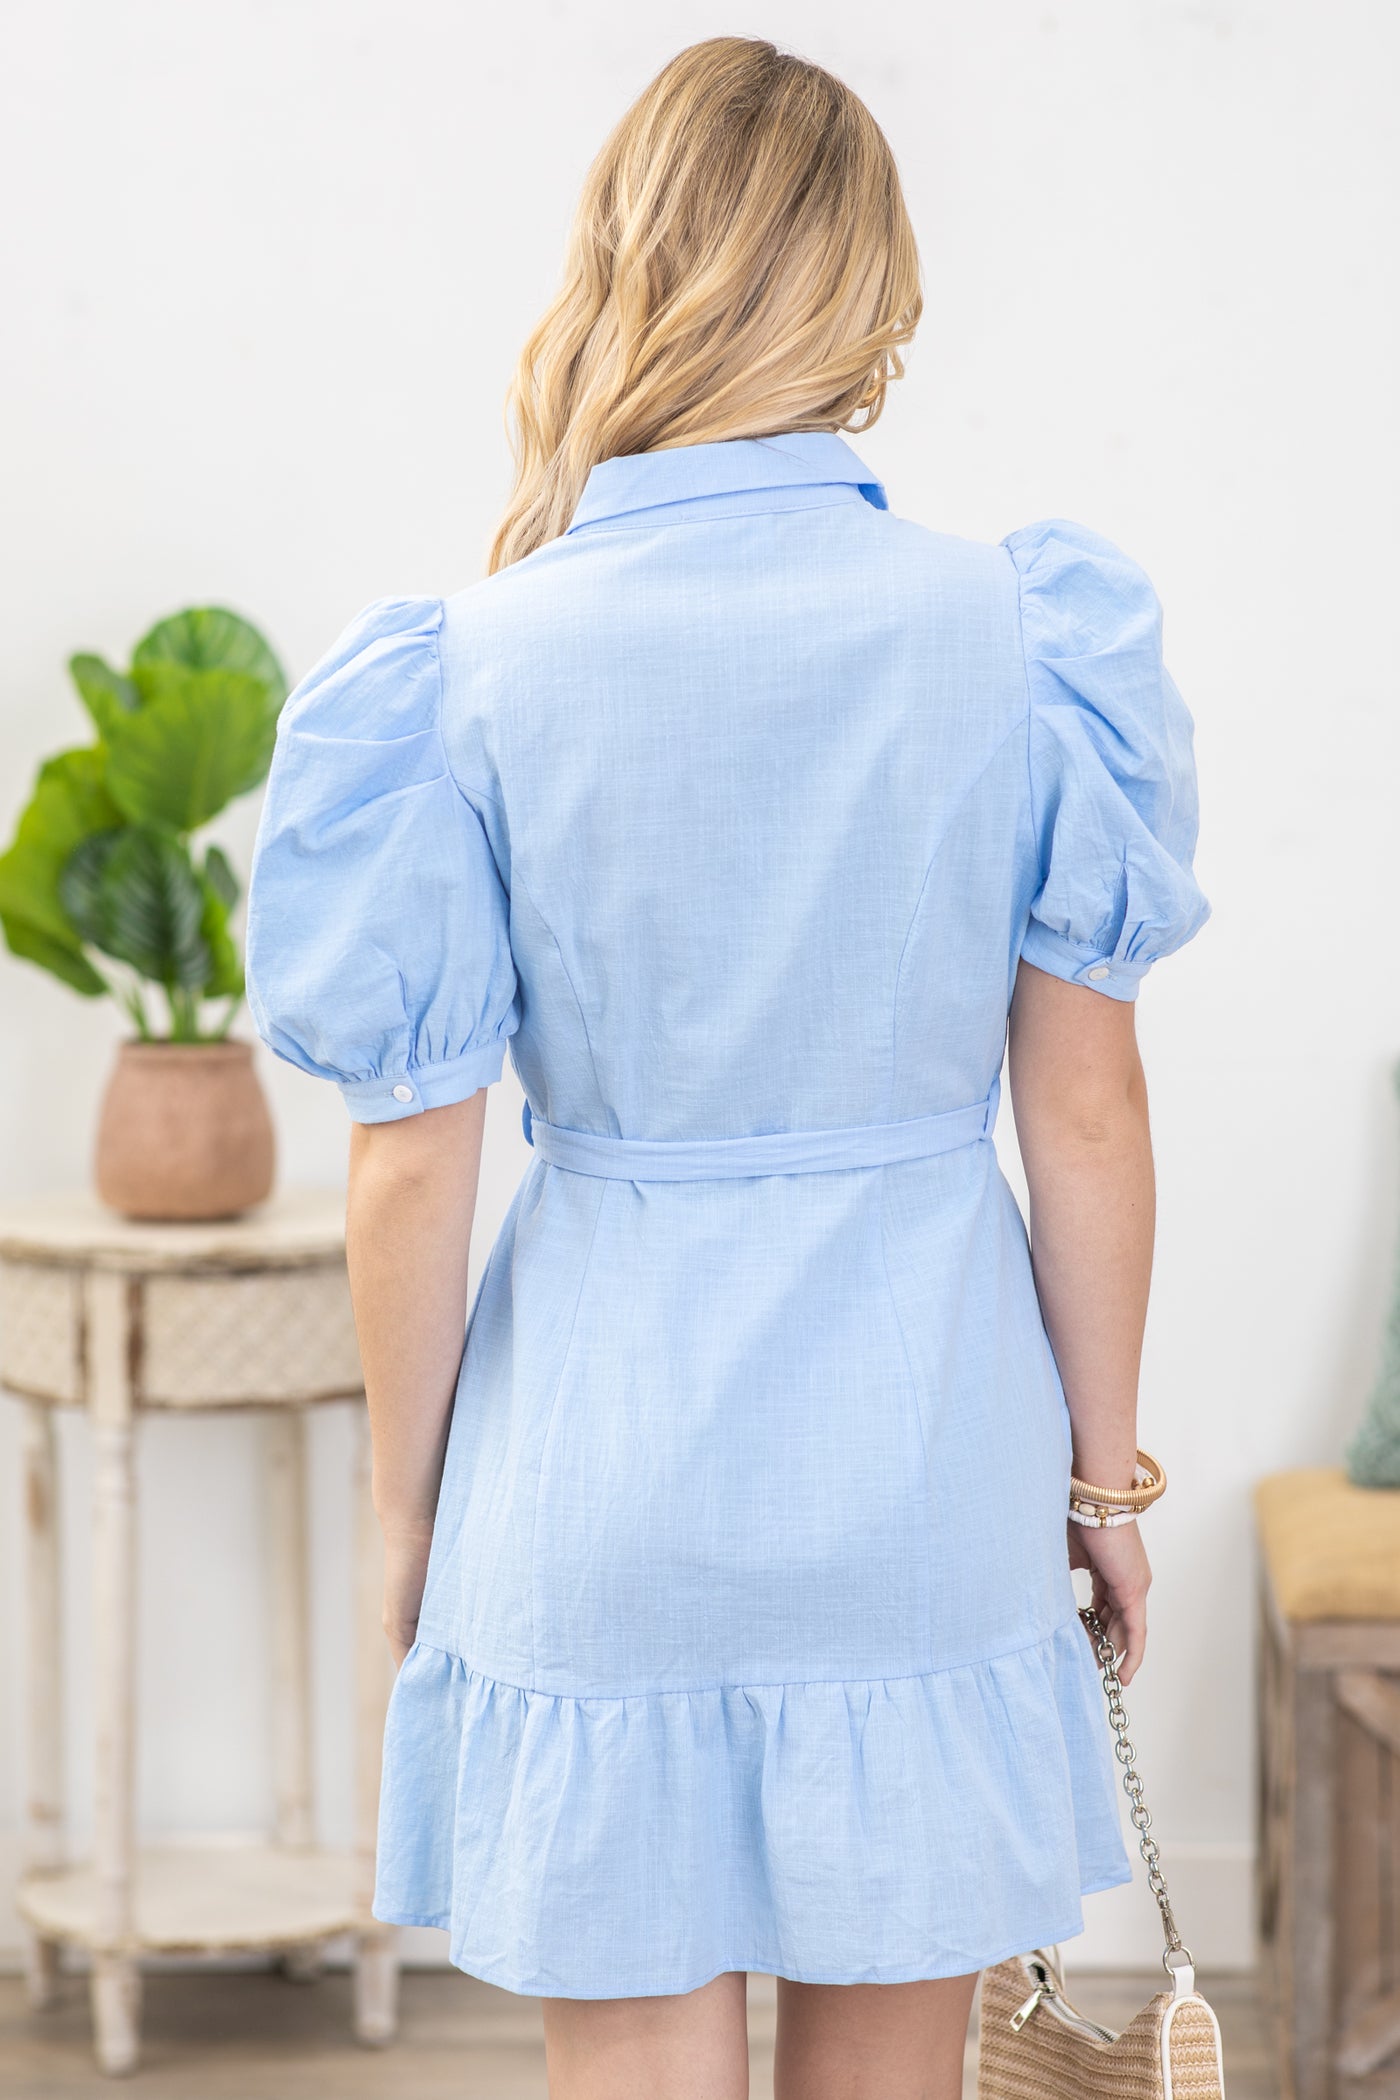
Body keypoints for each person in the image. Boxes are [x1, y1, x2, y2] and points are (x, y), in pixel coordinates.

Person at [244, 34, 1210, 2100]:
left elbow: (410, 1168)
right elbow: (1088, 1106)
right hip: (922, 1453)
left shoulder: (468, 665)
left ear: (621, 262)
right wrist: (1102, 1475)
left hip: (597, 1468)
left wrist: (411, 1509)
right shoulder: (1016, 634)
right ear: (870, 296)